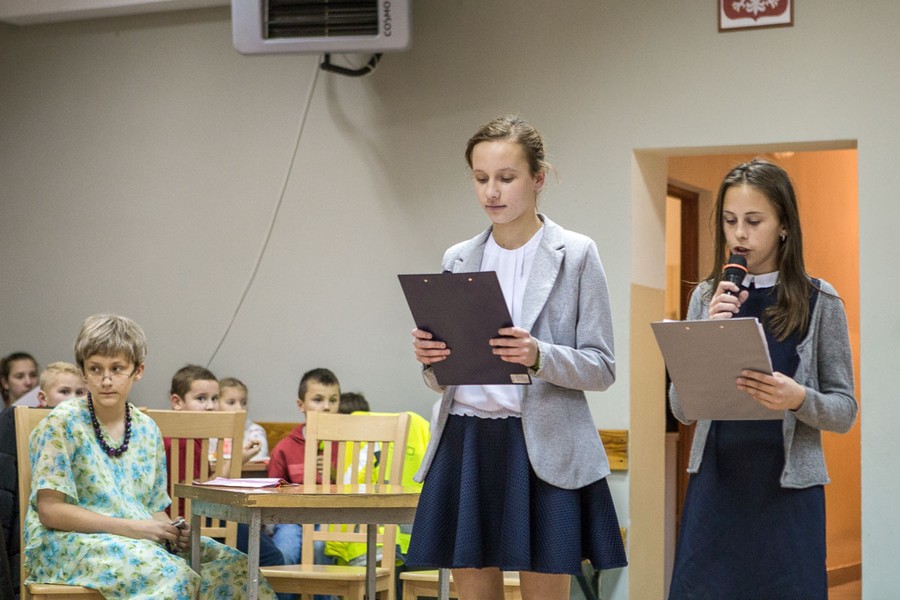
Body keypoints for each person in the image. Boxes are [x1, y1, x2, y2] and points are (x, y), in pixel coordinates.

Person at [406, 115, 627, 600]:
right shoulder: (457, 257)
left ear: (538, 178)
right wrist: (430, 359)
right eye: (481, 178)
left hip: (543, 446)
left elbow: (602, 367)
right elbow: (442, 378)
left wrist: (538, 354)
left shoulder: (576, 254)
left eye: (506, 178)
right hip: (465, 439)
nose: (492, 191)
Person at [667, 159, 858, 599]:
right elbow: (681, 408)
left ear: (784, 225)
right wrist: (710, 330)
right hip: (716, 488)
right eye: (730, 221)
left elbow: (844, 411)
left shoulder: (820, 300)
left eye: (754, 222)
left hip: (786, 496)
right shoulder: (706, 296)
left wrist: (798, 398)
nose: (739, 235)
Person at [22, 314, 277, 599]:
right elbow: (50, 511)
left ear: (138, 370)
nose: (106, 380)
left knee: (236, 569)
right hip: (67, 543)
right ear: (83, 371)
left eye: (117, 368)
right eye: (95, 369)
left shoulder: (146, 429)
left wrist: (170, 531)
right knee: (172, 575)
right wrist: (133, 528)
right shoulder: (62, 423)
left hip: (134, 541)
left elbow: (153, 507)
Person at [0, 361, 85, 599]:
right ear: (42, 397)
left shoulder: (92, 430)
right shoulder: (21, 422)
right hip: (38, 520)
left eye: (79, 392)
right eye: (64, 392)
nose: (72, 399)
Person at [267, 369, 340, 564]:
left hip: (334, 517)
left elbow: (359, 485)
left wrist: (335, 474)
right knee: (284, 550)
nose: (327, 407)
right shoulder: (285, 447)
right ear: (301, 405)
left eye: (333, 400)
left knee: (321, 547)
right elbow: (271, 490)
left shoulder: (348, 445)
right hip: (292, 518)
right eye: (318, 400)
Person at [214, 377, 267, 463]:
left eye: (244, 403)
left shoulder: (255, 431)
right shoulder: (209, 430)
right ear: (216, 404)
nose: (239, 407)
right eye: (231, 402)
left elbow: (258, 459)